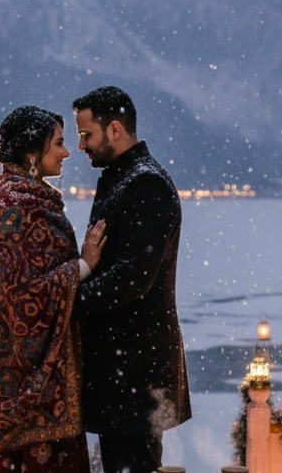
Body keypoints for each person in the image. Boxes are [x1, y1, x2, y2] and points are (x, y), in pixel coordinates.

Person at [0, 106, 108, 473]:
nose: (67, 152)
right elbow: (22, 300)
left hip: (30, 383)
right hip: (33, 393)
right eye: (58, 143)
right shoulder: (19, 207)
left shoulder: (19, 200)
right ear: (31, 155)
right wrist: (84, 265)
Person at [72, 87, 192, 473]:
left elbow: (132, 278)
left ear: (115, 130)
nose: (80, 146)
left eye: (86, 134)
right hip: (123, 371)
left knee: (133, 467)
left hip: (135, 374)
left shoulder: (146, 184)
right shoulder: (124, 179)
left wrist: (64, 303)